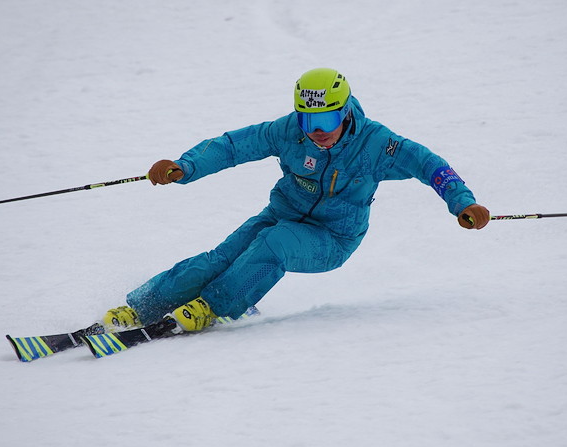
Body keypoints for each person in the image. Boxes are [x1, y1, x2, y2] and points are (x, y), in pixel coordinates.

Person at [101, 68, 490, 333]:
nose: (316, 132)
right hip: (280, 215)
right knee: (220, 258)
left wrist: (463, 203)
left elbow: (430, 165)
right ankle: (144, 306)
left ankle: (214, 306)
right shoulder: (291, 131)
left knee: (274, 244)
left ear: (346, 113)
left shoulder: (377, 144)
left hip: (332, 238)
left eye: (325, 122)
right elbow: (234, 145)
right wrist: (186, 167)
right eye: (307, 121)